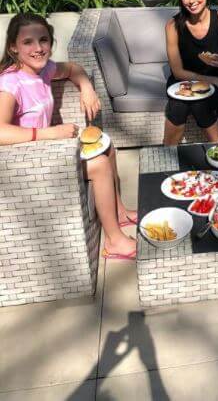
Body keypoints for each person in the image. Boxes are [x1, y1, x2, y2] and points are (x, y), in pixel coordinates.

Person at [0, 13, 137, 260]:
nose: (38, 48)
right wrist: (49, 133)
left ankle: (118, 211)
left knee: (106, 146)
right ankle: (115, 242)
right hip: (21, 164)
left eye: (44, 40)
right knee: (99, 164)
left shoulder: (42, 70)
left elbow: (74, 69)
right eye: (28, 42)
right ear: (13, 47)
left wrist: (86, 88)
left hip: (44, 151)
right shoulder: (10, 84)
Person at [164, 0, 218, 145]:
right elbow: (177, 71)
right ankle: (166, 157)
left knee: (200, 105)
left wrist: (217, 61)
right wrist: (213, 80)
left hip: (217, 80)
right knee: (178, 107)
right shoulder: (173, 25)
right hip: (183, 81)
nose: (191, 0)